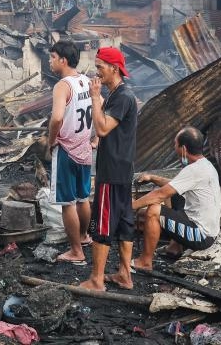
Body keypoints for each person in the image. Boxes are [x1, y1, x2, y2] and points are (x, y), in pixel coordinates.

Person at [80, 47, 139, 291]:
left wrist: (94, 97)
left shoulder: (123, 96)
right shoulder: (117, 94)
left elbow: (103, 129)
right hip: (122, 169)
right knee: (125, 223)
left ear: (114, 68)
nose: (97, 72)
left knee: (102, 225)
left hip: (112, 171)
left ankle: (96, 279)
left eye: (100, 67)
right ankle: (125, 275)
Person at [131, 127, 221, 271]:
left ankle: (145, 262)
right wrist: (152, 178)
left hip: (202, 237)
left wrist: (131, 206)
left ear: (183, 148)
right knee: (175, 194)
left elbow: (159, 195)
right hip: (207, 229)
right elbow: (174, 185)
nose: (174, 147)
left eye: (175, 144)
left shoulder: (194, 170)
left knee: (154, 210)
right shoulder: (204, 165)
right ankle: (174, 247)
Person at [46, 40, 94, 265]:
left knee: (68, 203)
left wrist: (51, 141)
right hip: (84, 147)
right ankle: (84, 237)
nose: (50, 61)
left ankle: (76, 252)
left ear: (63, 60)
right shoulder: (86, 81)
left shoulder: (62, 86)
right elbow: (99, 106)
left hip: (66, 148)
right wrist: (96, 137)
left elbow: (56, 118)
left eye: (52, 57)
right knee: (83, 197)